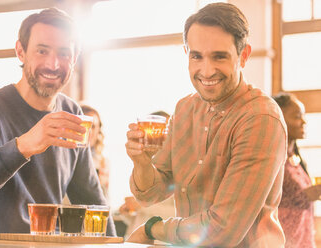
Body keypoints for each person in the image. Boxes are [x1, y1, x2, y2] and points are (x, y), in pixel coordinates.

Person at [125, 3, 287, 247]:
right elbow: (151, 194)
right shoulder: (184, 109)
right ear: (186, 53)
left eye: (219, 56)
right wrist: (142, 163)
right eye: (196, 56)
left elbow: (222, 231)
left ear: (243, 56)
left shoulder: (260, 118)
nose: (206, 70)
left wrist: (152, 229)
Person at [0, 8, 115, 238]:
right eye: (42, 51)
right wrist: (22, 146)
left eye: (64, 53)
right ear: (21, 51)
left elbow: (92, 200)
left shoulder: (72, 112)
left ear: (75, 58)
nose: (53, 64)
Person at [273, 92, 321, 248]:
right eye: (297, 116)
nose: (304, 121)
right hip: (282, 241)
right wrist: (307, 194)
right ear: (279, 117)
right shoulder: (272, 158)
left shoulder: (294, 157)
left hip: (303, 239)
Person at [119, 110, 175, 239]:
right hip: (136, 239)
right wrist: (128, 212)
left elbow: (179, 214)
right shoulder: (142, 161)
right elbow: (138, 220)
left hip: (161, 241)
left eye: (163, 130)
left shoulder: (177, 164)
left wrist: (142, 208)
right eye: (153, 130)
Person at [81, 104, 109, 198]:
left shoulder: (103, 162)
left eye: (93, 127)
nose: (89, 131)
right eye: (85, 125)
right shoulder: (64, 159)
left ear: (99, 130)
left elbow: (106, 199)